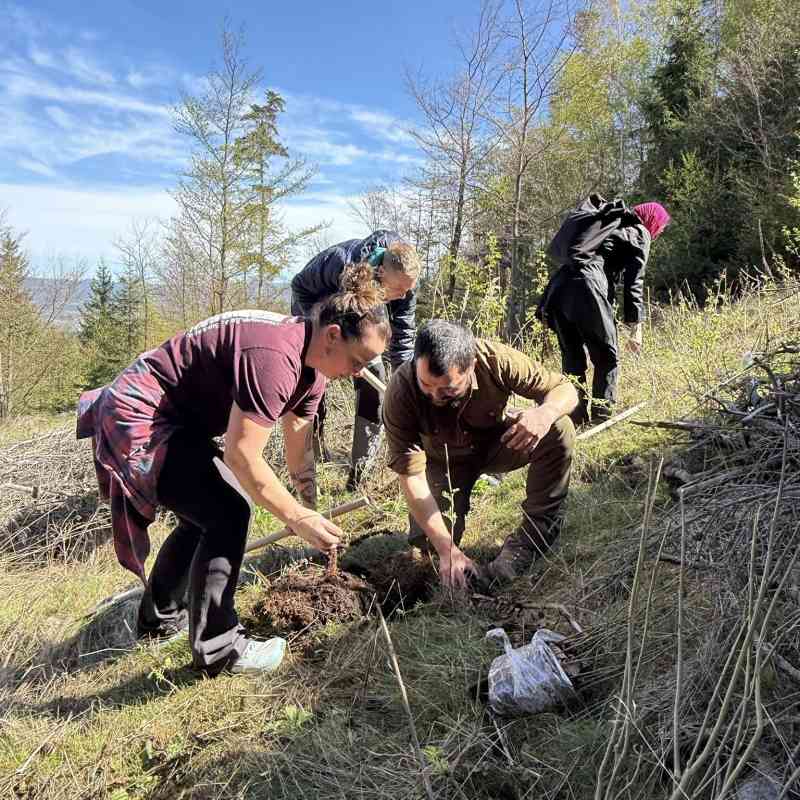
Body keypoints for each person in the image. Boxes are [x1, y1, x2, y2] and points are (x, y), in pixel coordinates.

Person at [76, 265, 390, 676]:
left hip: (176, 420)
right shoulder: (275, 358)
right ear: (333, 335)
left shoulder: (314, 372)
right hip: (139, 412)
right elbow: (241, 456)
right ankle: (220, 650)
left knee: (207, 512)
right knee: (228, 509)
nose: (359, 373)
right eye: (358, 360)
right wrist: (294, 517)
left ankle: (160, 619)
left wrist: (309, 511)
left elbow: (299, 449)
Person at [382, 320, 578, 588]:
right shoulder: (400, 392)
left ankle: (531, 541)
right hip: (444, 464)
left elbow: (564, 389)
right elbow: (412, 477)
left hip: (499, 444)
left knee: (558, 427)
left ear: (471, 366)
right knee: (429, 553)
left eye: (448, 389)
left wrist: (544, 413)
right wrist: (447, 549)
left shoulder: (495, 359)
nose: (435, 396)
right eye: (426, 385)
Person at [291, 230, 420, 489]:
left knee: (375, 385)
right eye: (398, 289)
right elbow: (299, 286)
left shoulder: (404, 286)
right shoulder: (340, 262)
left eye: (409, 289)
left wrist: (405, 383)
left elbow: (403, 337)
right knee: (314, 384)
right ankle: (314, 452)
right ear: (381, 275)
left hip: (364, 329)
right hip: (319, 323)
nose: (404, 295)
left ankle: (360, 471)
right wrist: (318, 331)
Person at [537, 195, 670, 423]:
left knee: (572, 359)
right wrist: (636, 327)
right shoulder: (640, 232)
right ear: (653, 222)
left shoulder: (609, 225)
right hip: (587, 287)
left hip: (559, 289)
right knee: (607, 356)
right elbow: (634, 283)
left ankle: (575, 419)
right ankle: (602, 417)